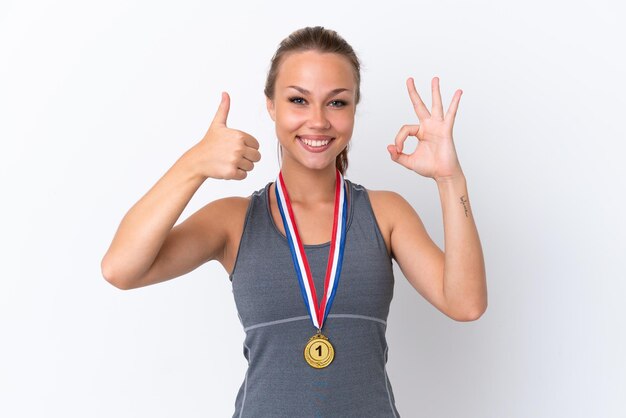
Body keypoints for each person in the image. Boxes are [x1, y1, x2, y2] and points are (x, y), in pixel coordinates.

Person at [101, 26, 487, 417]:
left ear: (354, 108)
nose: (317, 121)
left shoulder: (385, 213)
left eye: (336, 103)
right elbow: (121, 269)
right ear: (271, 105)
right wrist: (194, 164)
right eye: (298, 100)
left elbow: (466, 303)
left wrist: (449, 179)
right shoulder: (234, 221)